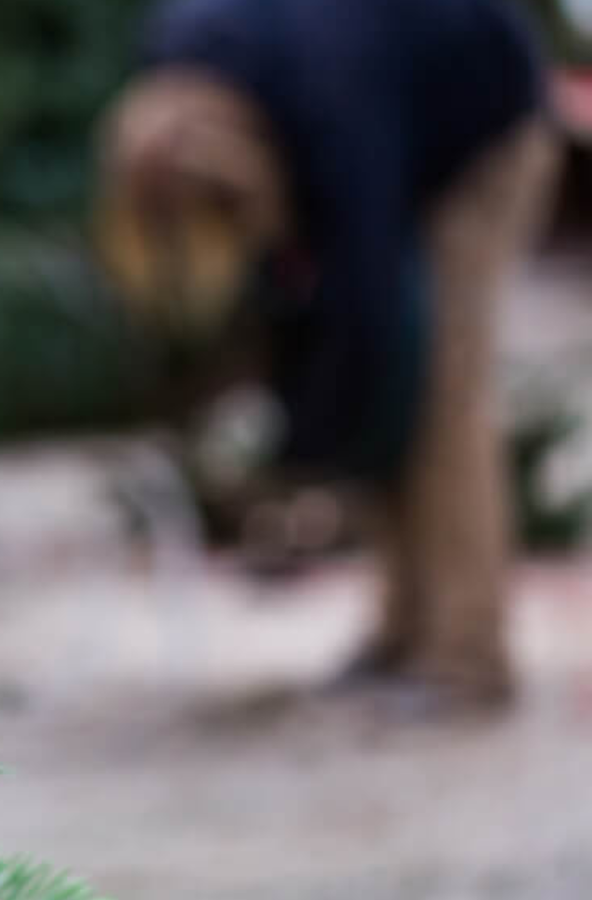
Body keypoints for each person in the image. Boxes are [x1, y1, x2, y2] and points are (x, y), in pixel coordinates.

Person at [95, 0, 563, 708]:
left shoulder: (330, 100)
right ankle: (403, 628)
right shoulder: (181, 55)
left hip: (486, 136)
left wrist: (299, 441)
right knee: (387, 396)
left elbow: (360, 302)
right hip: (395, 115)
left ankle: (469, 657)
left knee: (437, 390)